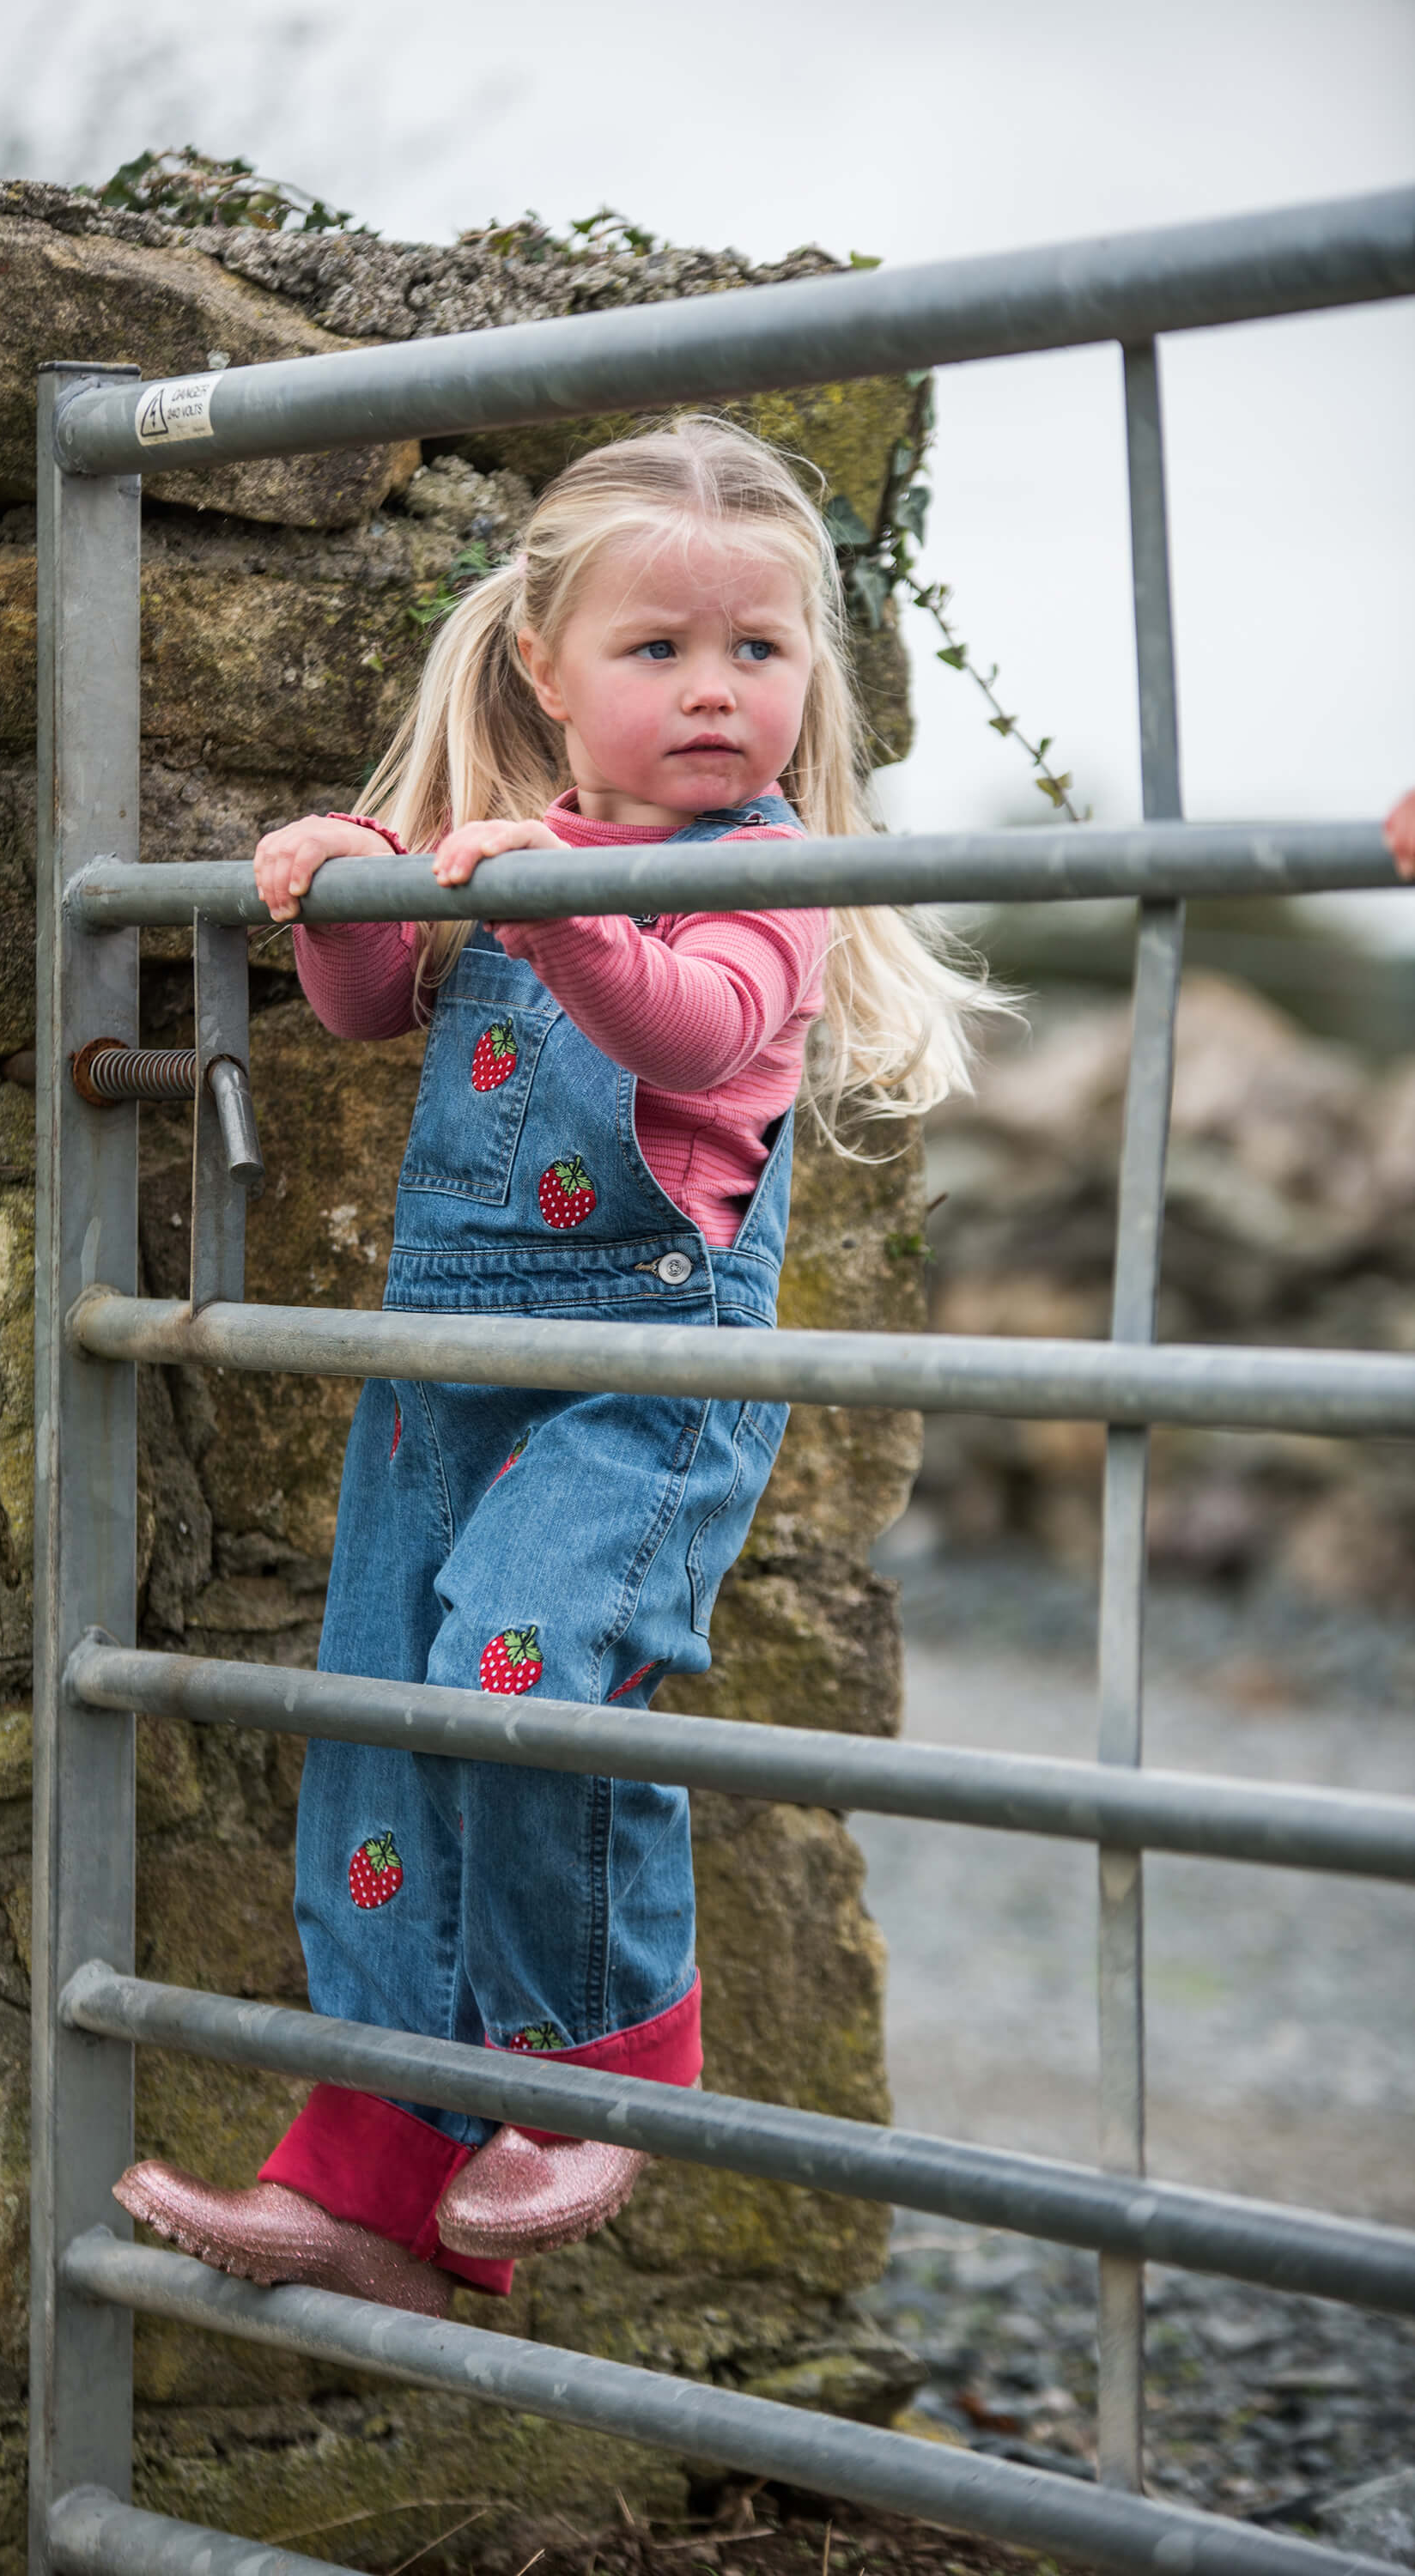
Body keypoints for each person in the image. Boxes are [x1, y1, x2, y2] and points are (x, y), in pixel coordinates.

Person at [115, 414, 1008, 2315]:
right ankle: (370, 2166)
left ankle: (609, 2065)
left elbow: (686, 1034)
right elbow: (367, 1010)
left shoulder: (773, 871)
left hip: (640, 1376)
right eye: (659, 651)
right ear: (546, 667)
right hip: (447, 1365)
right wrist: (346, 877)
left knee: (524, 1669)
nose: (713, 694)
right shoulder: (510, 846)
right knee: (388, 1728)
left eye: (757, 654)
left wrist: (546, 897)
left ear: (810, 679)